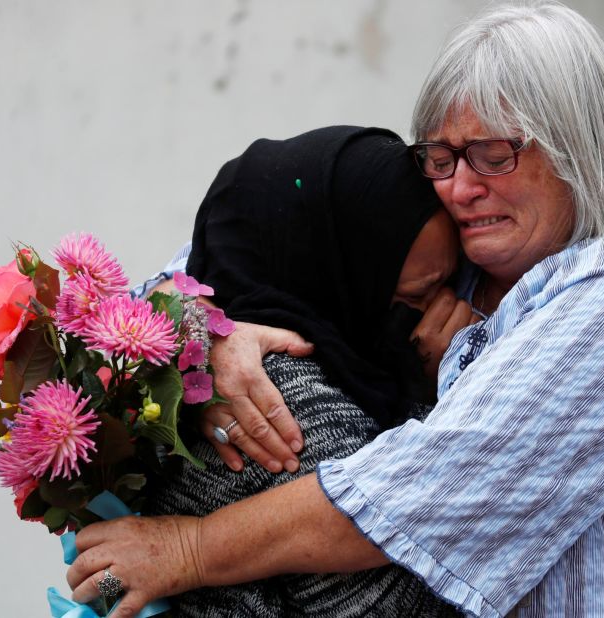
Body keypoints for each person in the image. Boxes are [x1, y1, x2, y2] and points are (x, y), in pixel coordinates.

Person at [68, 3, 604, 616]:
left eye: (492, 154)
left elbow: (429, 490)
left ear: (576, 148)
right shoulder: (468, 252)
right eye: (440, 155)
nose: (459, 187)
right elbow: (196, 266)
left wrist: (187, 549)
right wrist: (211, 334)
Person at [146, 125, 465, 616]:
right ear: (340, 270)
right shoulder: (279, 398)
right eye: (412, 296)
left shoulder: (190, 350)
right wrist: (444, 394)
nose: (445, 309)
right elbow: (390, 606)